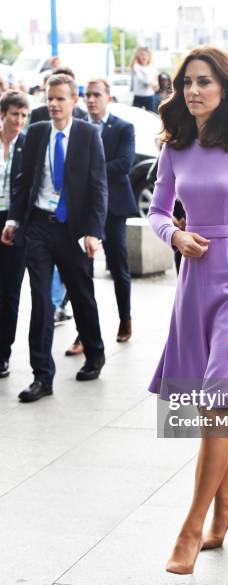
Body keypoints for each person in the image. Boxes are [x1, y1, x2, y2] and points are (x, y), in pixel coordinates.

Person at [148, 46, 228, 573]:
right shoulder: (175, 146)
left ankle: (191, 526)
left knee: (215, 406)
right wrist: (175, 234)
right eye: (186, 83)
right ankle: (226, 503)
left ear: (225, 86)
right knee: (211, 407)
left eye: (204, 81)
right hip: (194, 285)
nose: (194, 91)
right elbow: (158, 212)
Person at [1, 74, 107, 402]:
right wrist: (15, 219)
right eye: (50, 97)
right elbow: (23, 180)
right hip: (40, 227)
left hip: (74, 229)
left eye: (60, 98)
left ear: (73, 101)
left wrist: (93, 231)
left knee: (81, 293)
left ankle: (95, 353)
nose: (53, 104)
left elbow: (98, 186)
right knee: (42, 299)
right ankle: (41, 376)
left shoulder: (88, 135)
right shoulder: (35, 133)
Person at [65, 78, 138, 356]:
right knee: (82, 272)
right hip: (84, 210)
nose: (91, 99)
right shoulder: (78, 128)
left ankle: (125, 318)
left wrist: (90, 172)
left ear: (108, 97)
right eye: (87, 95)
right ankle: (83, 333)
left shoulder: (122, 128)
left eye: (97, 94)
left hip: (115, 208)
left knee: (119, 266)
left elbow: (124, 164)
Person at [0, 91, 29, 378]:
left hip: (14, 222)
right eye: (14, 114)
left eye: (23, 115)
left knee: (10, 291)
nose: (19, 120)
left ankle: (3, 353)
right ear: (3, 115)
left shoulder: (27, 145)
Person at [130, 47, 158, 112]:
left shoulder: (152, 68)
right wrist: (150, 83)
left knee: (151, 116)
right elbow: (142, 80)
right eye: (142, 54)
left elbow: (156, 83)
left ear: (149, 56)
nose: (144, 56)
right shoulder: (135, 67)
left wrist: (155, 84)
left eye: (146, 55)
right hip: (138, 96)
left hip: (149, 97)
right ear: (138, 56)